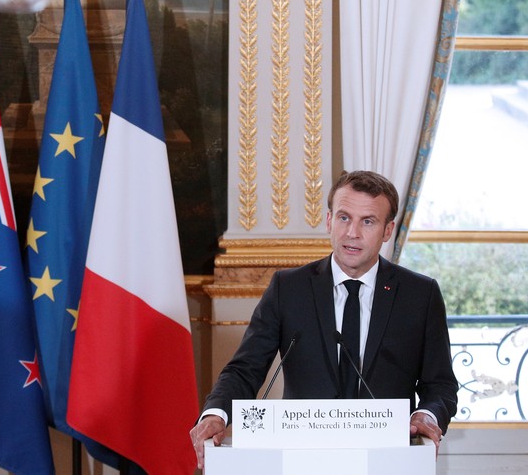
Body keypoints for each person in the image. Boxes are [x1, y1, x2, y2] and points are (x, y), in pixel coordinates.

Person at [190, 170, 457, 467]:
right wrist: (216, 413)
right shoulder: (288, 288)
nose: (352, 233)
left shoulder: (420, 294)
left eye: (367, 221)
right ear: (329, 221)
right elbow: (244, 370)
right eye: (344, 218)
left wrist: (426, 416)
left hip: (387, 458)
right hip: (299, 458)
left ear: (387, 230)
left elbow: (440, 384)